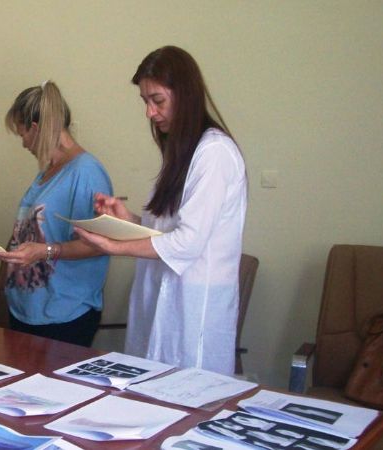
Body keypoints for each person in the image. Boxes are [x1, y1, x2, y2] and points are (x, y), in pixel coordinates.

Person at [75, 46, 247, 374]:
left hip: (193, 308)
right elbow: (167, 231)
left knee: (186, 401)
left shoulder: (214, 152)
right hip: (160, 298)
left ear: (185, 95)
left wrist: (115, 246)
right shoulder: (180, 151)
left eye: (157, 100)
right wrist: (127, 221)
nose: (150, 112)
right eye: (145, 101)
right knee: (149, 394)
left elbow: (187, 243)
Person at [0, 81, 113, 347]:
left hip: (64, 317)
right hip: (26, 312)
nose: (23, 143)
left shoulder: (86, 172)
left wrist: (45, 251)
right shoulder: (47, 172)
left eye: (22, 134)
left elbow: (97, 245)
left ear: (35, 129)